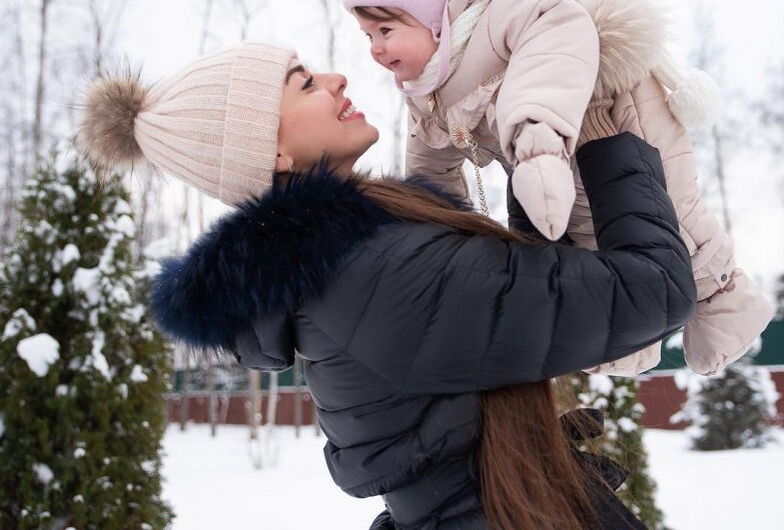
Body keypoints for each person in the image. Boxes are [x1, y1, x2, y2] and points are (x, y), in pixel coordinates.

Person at [76, 42, 696, 530]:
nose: (337, 79)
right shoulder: (374, 273)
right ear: (272, 153)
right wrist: (605, 135)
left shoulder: (351, 265)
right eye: (305, 84)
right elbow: (655, 290)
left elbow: (518, 298)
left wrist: (536, 158)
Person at [332, 0, 774, 377]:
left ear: (434, 14)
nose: (375, 49)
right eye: (367, 36)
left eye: (386, 30)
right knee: (586, 245)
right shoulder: (427, 84)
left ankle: (728, 308)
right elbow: (430, 165)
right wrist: (431, 229)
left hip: (618, 120)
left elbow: (552, 50)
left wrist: (537, 141)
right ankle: (629, 344)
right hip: (548, 162)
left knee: (673, 218)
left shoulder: (513, 7)